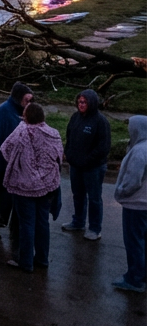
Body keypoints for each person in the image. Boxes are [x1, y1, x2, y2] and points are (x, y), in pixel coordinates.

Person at [0, 102, 63, 272]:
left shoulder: (22, 131)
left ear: (26, 116)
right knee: (43, 223)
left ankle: (25, 262)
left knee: (26, 224)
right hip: (48, 186)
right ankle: (42, 259)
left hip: (24, 186)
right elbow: (59, 156)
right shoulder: (54, 133)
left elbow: (5, 149)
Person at [63, 89, 111, 241]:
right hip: (76, 166)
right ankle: (78, 222)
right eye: (79, 102)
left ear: (91, 103)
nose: (81, 104)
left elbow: (103, 147)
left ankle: (95, 229)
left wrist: (87, 160)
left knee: (94, 198)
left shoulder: (100, 121)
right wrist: (68, 154)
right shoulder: (75, 117)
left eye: (84, 102)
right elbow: (69, 136)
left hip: (93, 168)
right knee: (78, 195)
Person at [0, 82, 34, 234]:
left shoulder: (20, 111)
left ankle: (8, 225)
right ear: (19, 98)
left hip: (17, 163)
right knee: (3, 195)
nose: (29, 103)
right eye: (27, 100)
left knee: (12, 198)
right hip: (4, 160)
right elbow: (5, 140)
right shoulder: (5, 111)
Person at [112, 115, 147, 293]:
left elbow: (133, 180)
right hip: (144, 204)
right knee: (143, 241)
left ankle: (134, 279)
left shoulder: (140, 151)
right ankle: (142, 274)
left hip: (136, 204)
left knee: (134, 242)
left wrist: (120, 191)